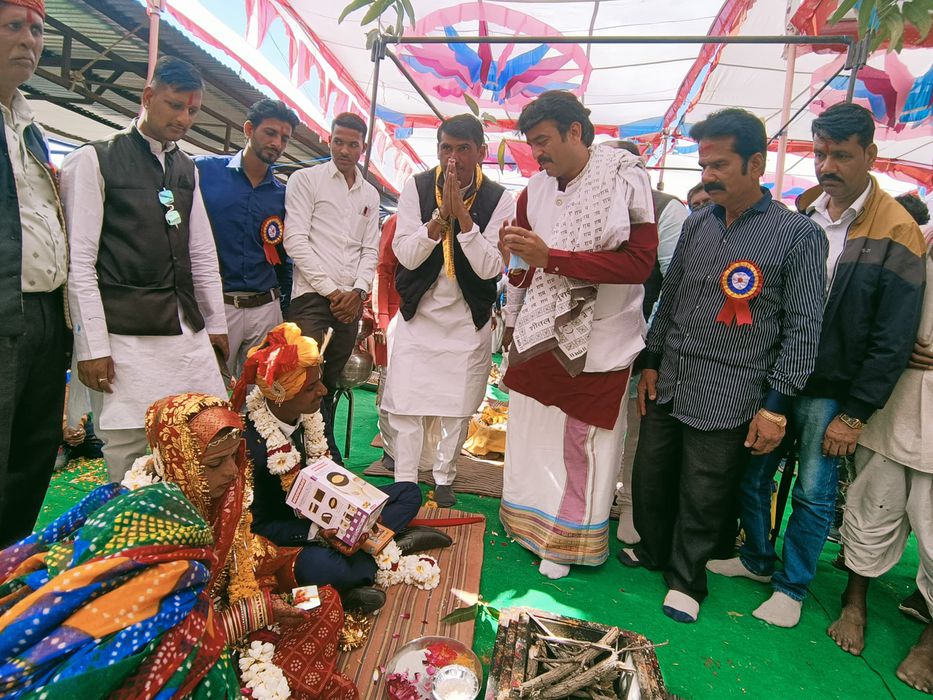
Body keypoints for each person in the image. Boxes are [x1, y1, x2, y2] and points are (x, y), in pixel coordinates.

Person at [709, 103, 927, 628]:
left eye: (843, 156)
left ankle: (793, 587)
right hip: (778, 376)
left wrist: (854, 413)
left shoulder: (899, 231)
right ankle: (759, 561)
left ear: (871, 155)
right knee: (754, 473)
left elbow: (892, 337)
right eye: (822, 153)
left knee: (812, 490)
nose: (828, 166)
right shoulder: (802, 213)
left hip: (831, 388)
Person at [0, 393, 358, 699]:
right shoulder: (147, 518)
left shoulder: (223, 502)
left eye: (235, 457)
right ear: (178, 463)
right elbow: (146, 646)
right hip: (172, 654)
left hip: (217, 616)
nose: (232, 472)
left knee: (322, 600)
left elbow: (244, 554)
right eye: (215, 464)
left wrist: (281, 571)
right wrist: (251, 615)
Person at [621, 108, 827, 624]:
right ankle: (652, 550)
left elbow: (803, 329)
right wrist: (651, 361)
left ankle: (688, 580)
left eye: (720, 165)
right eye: (704, 164)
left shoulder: (798, 235)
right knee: (651, 475)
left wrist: (776, 407)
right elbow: (669, 300)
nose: (707, 175)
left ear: (756, 163)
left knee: (705, 490)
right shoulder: (697, 226)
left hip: (731, 390)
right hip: (671, 379)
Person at [498, 90, 657, 580]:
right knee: (533, 435)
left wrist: (554, 260)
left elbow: (639, 264)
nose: (538, 154)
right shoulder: (533, 191)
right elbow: (525, 264)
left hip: (604, 340)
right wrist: (517, 262)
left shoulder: (624, 178)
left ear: (575, 132)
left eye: (544, 141)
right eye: (532, 145)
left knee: (581, 444)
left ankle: (568, 543)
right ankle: (528, 525)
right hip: (540, 333)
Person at [61, 56, 227, 484]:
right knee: (132, 449)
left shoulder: (186, 167)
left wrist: (215, 324)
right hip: (123, 334)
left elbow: (202, 254)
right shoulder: (94, 160)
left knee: (200, 432)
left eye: (192, 110)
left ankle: (186, 543)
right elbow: (79, 261)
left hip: (184, 331)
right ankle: (132, 546)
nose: (184, 118)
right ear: (147, 97)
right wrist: (91, 346)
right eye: (174, 106)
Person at [234, 323, 451, 613]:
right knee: (321, 568)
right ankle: (391, 545)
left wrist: (356, 513)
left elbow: (336, 469)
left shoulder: (313, 413)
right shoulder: (253, 445)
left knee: (409, 492)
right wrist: (317, 531)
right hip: (299, 538)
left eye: (319, 381)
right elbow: (258, 527)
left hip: (338, 515)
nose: (323, 391)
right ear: (281, 394)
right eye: (311, 387)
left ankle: (374, 550)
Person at [380, 114, 513, 508]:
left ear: (481, 153)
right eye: (445, 148)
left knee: (456, 409)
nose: (453, 158)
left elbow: (491, 267)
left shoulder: (499, 198)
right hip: (418, 317)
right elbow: (403, 252)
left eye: (463, 149)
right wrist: (439, 220)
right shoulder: (417, 187)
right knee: (406, 404)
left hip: (466, 319)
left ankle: (444, 478)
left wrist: (466, 219)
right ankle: (405, 479)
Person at [824, 239, 933, 695]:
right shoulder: (914, 246)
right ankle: (855, 603)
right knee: (870, 506)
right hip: (892, 403)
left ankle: (930, 641)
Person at [0, 0, 70, 547]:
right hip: (6, 310)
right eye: (14, 27)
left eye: (37, 29)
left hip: (46, 312)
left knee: (33, 446)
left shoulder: (29, 125)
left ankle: (8, 562)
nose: (29, 39)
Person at [284, 112, 380, 465]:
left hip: (349, 304)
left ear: (362, 147)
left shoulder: (369, 194)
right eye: (338, 141)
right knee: (302, 382)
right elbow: (295, 240)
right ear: (329, 140)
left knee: (330, 385)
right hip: (312, 299)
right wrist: (332, 292)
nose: (343, 149)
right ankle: (295, 460)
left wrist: (357, 293)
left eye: (352, 144)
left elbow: (370, 249)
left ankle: (320, 455)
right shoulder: (305, 180)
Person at [609, 140, 690, 544]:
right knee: (597, 427)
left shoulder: (667, 209)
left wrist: (650, 343)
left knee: (636, 429)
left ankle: (630, 507)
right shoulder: (587, 201)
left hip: (642, 343)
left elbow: (673, 286)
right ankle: (595, 500)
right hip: (593, 340)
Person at [195, 98, 299, 377]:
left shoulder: (284, 195)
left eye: (285, 138)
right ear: (249, 129)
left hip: (266, 307)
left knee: (260, 399)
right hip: (217, 306)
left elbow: (286, 258)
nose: (277, 143)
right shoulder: (202, 171)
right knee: (208, 394)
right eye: (271, 133)